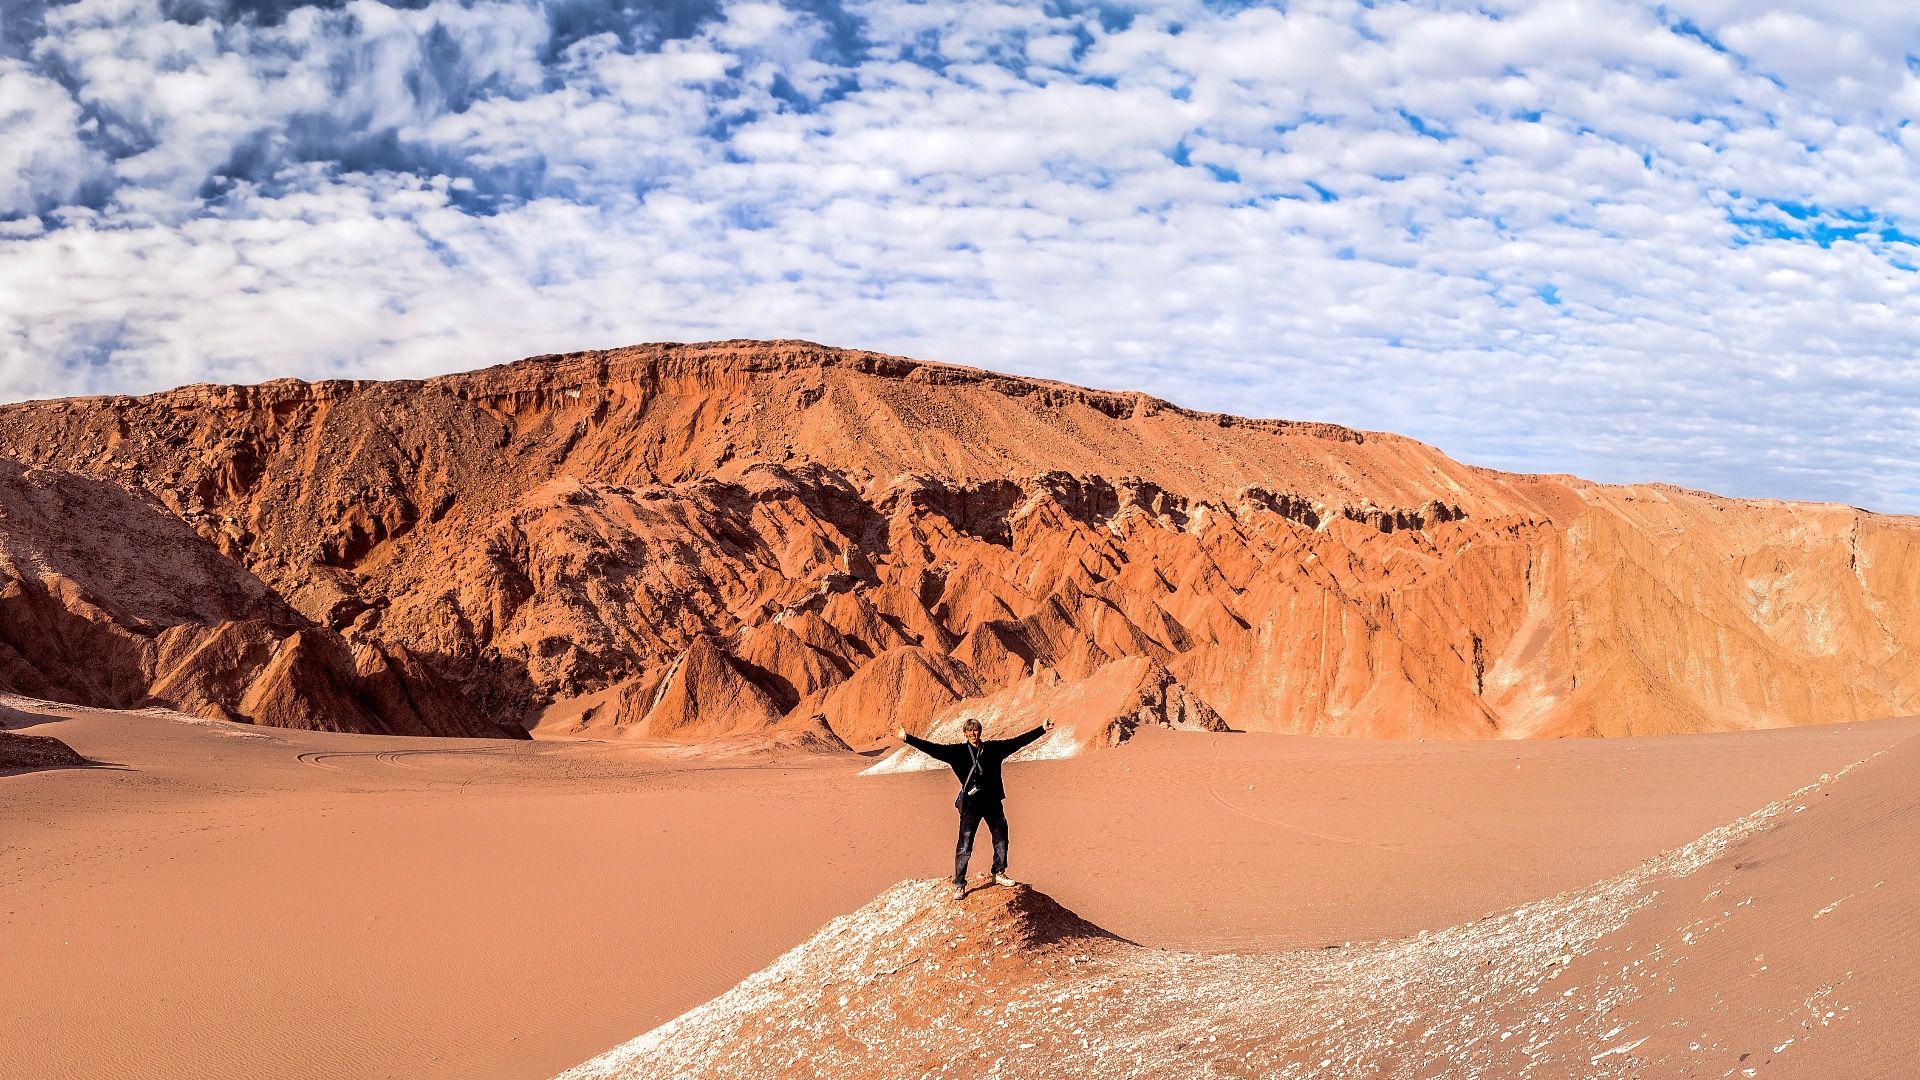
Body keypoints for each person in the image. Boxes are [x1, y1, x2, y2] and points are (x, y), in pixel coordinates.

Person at [895, 716, 1053, 899]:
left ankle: (998, 872)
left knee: (1001, 838)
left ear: (980, 731)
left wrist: (1041, 729)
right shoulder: (957, 753)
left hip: (993, 802)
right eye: (969, 730)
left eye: (976, 729)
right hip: (971, 805)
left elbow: (1017, 742)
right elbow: (932, 749)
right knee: (965, 844)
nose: (973, 733)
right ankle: (959, 884)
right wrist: (907, 738)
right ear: (965, 733)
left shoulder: (994, 749)